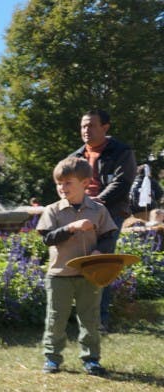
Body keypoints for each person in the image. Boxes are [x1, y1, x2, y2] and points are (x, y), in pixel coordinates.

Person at [36, 156, 116, 376]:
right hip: (59, 275)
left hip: (89, 275)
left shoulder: (98, 210)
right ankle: (52, 358)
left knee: (90, 318)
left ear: (85, 183)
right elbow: (47, 239)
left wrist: (100, 251)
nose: (62, 188)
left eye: (68, 183)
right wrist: (71, 227)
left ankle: (91, 359)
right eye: (59, 183)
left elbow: (109, 236)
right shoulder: (52, 210)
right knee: (56, 318)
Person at [69, 109, 136, 331]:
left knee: (101, 263)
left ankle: (100, 320)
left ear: (105, 127)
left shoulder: (122, 152)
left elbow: (122, 182)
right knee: (78, 262)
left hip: (110, 213)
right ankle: (79, 316)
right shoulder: (75, 157)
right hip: (80, 213)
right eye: (83, 126)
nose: (85, 130)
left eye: (91, 125)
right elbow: (64, 182)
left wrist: (98, 202)